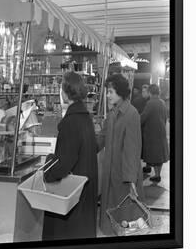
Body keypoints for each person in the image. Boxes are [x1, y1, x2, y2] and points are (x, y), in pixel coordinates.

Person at [42, 72, 98, 240]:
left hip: (73, 195)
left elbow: (64, 164)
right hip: (86, 187)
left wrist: (48, 166)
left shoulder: (70, 122)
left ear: (65, 92)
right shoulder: (85, 117)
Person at [97, 74, 144, 236]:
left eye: (110, 92)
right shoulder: (111, 114)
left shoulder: (132, 114)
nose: (107, 95)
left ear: (120, 92)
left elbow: (133, 149)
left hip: (124, 176)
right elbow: (100, 139)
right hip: (111, 173)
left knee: (126, 219)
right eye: (107, 92)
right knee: (113, 215)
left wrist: (131, 179)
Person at [141, 84, 170, 183]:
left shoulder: (150, 103)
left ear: (150, 92)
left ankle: (157, 175)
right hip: (161, 131)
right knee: (160, 155)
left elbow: (143, 117)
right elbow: (165, 117)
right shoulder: (162, 102)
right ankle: (157, 175)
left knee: (154, 155)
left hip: (152, 133)